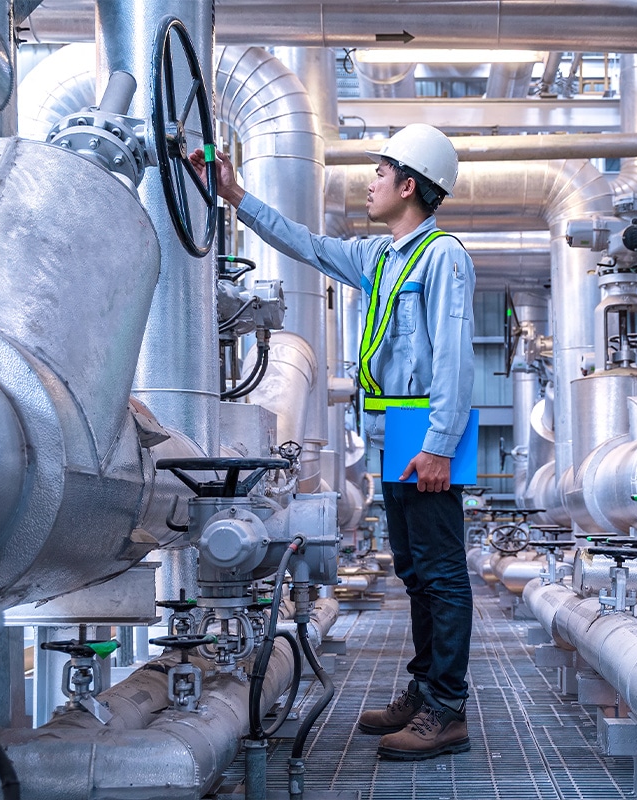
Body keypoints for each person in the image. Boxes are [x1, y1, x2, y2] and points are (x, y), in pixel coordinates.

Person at [190, 123, 476, 761]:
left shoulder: (442, 257)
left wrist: (439, 445)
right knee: (414, 571)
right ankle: (425, 691)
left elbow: (456, 359)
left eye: (380, 172)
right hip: (396, 430)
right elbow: (309, 246)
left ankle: (446, 710)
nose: (370, 182)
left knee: (441, 574)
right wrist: (236, 197)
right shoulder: (381, 259)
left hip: (427, 429)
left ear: (409, 185)